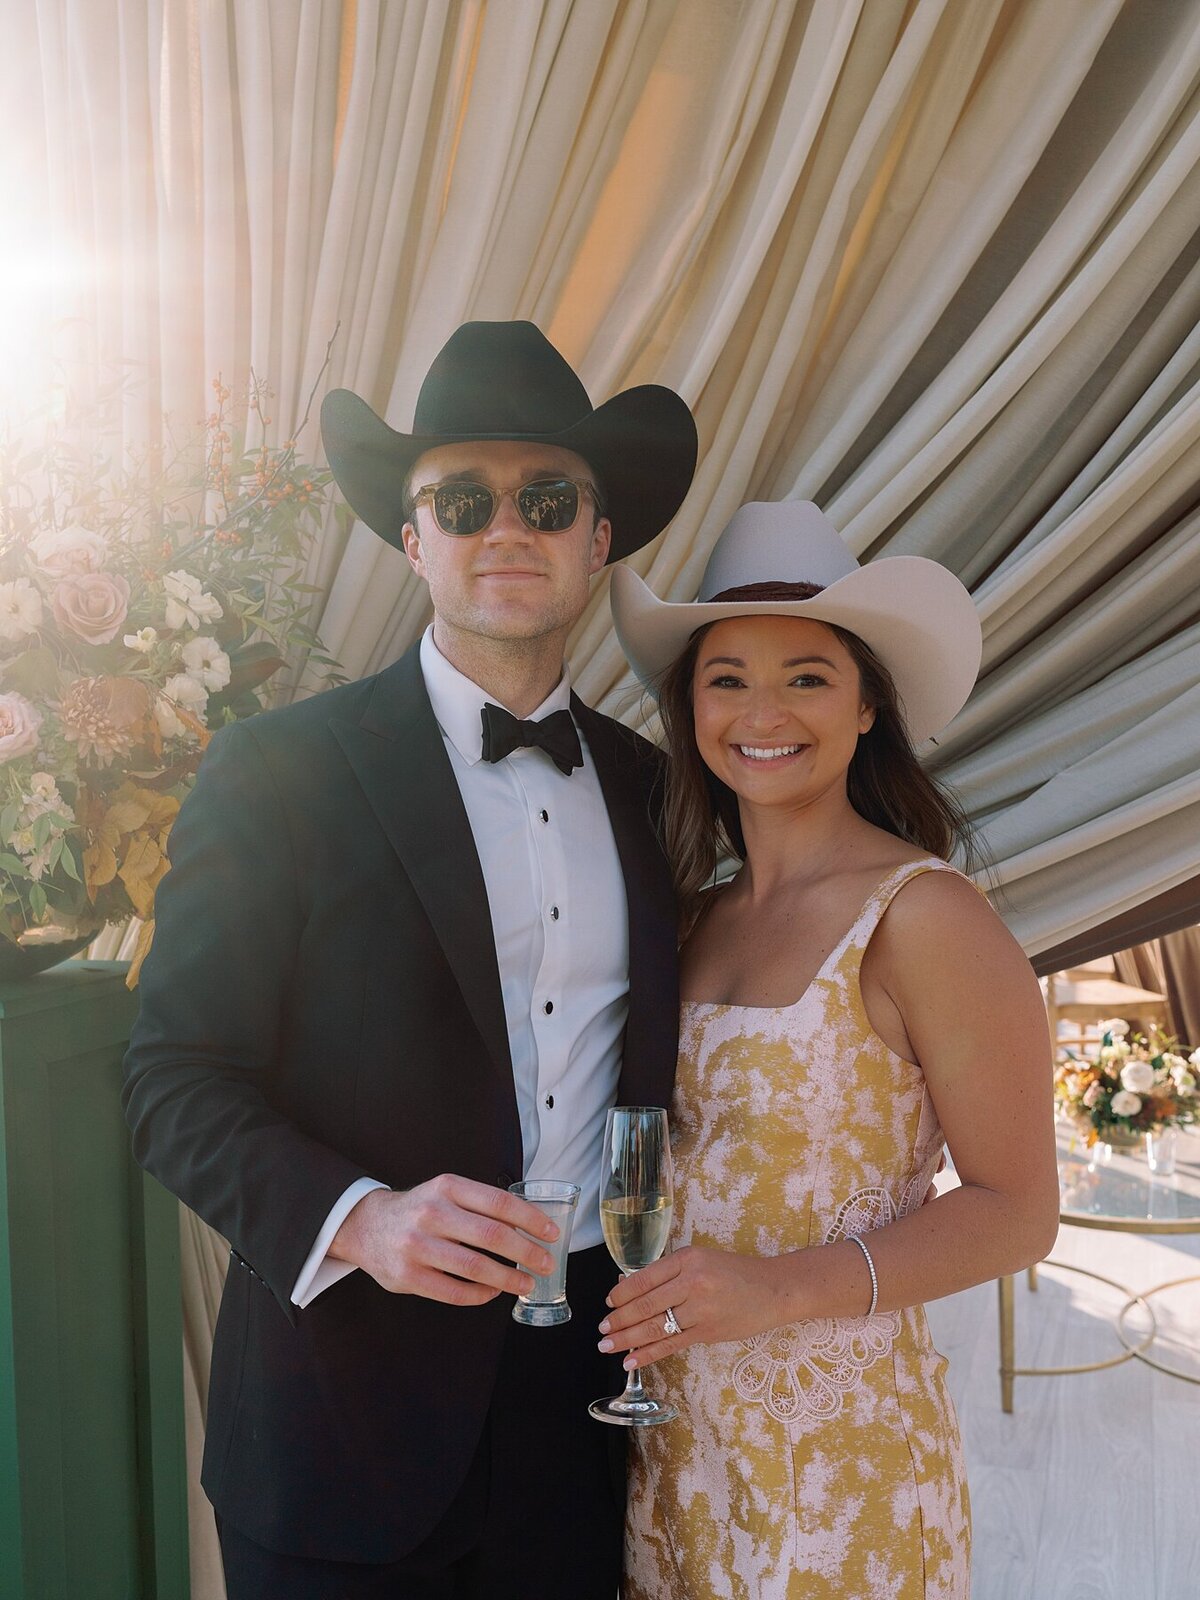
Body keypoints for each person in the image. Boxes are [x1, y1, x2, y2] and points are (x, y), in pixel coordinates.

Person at [122, 320, 697, 1599]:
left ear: (600, 540)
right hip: (342, 1433)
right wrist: (363, 1221)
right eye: (463, 498)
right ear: (412, 535)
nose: (509, 528)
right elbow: (173, 1078)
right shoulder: (275, 772)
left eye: (549, 499)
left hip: (586, 1424)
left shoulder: (656, 791)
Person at [603, 500, 1060, 1599]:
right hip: (674, 1451)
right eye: (728, 678)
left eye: (807, 675)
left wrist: (779, 1291)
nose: (765, 710)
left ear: (866, 710)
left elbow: (1017, 1207)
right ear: (689, 709)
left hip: (844, 1467)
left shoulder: (922, 914)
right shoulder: (689, 917)